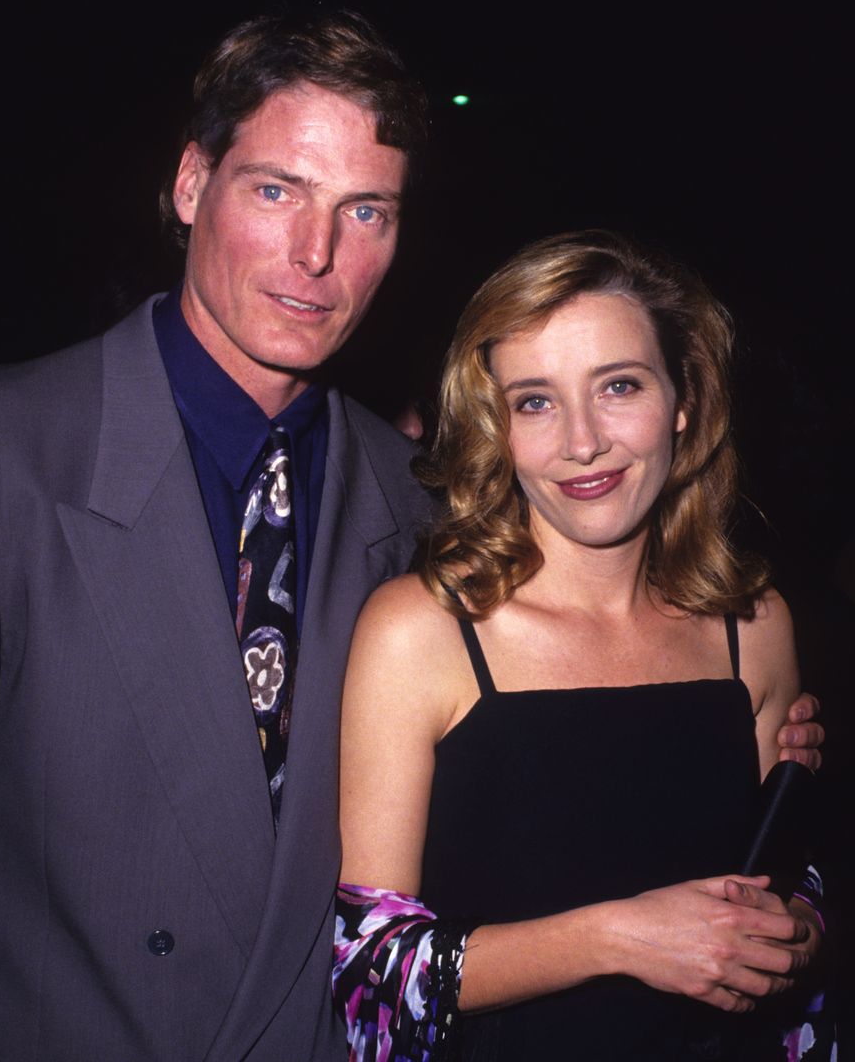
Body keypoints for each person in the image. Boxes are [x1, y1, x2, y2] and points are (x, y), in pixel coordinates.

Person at [0, 12, 822, 1062]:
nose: (317, 254)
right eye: (277, 191)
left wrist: (739, 754)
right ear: (189, 187)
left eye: (366, 210)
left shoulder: (416, 503)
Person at [334, 231, 828, 1060]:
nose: (582, 440)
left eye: (620, 386)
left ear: (683, 401)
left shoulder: (756, 627)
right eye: (534, 401)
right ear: (497, 426)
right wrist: (618, 938)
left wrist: (802, 933)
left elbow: (781, 885)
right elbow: (370, 973)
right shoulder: (420, 632)